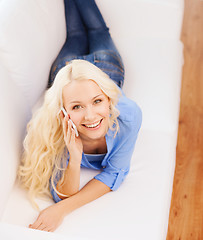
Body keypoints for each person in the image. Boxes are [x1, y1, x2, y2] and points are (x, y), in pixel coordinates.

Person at [18, 0, 142, 232]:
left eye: (98, 101)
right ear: (63, 111)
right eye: (76, 108)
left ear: (108, 99)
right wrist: (74, 157)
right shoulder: (56, 130)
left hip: (107, 67)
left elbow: (115, 173)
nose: (90, 116)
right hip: (68, 74)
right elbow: (61, 193)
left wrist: (62, 210)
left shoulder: (128, 116)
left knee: (95, 31)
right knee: (74, 34)